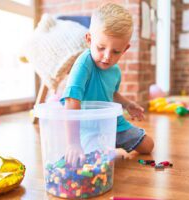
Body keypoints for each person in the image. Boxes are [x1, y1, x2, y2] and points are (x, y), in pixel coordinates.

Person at [61, 3, 154, 165]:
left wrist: (128, 104)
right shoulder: (83, 64)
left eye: (116, 52)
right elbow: (71, 101)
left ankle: (110, 143)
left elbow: (112, 93)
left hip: (112, 123)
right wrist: (73, 143)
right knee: (98, 162)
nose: (107, 57)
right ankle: (103, 146)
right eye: (101, 48)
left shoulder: (115, 70)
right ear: (89, 40)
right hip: (88, 126)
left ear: (125, 49)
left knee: (148, 145)